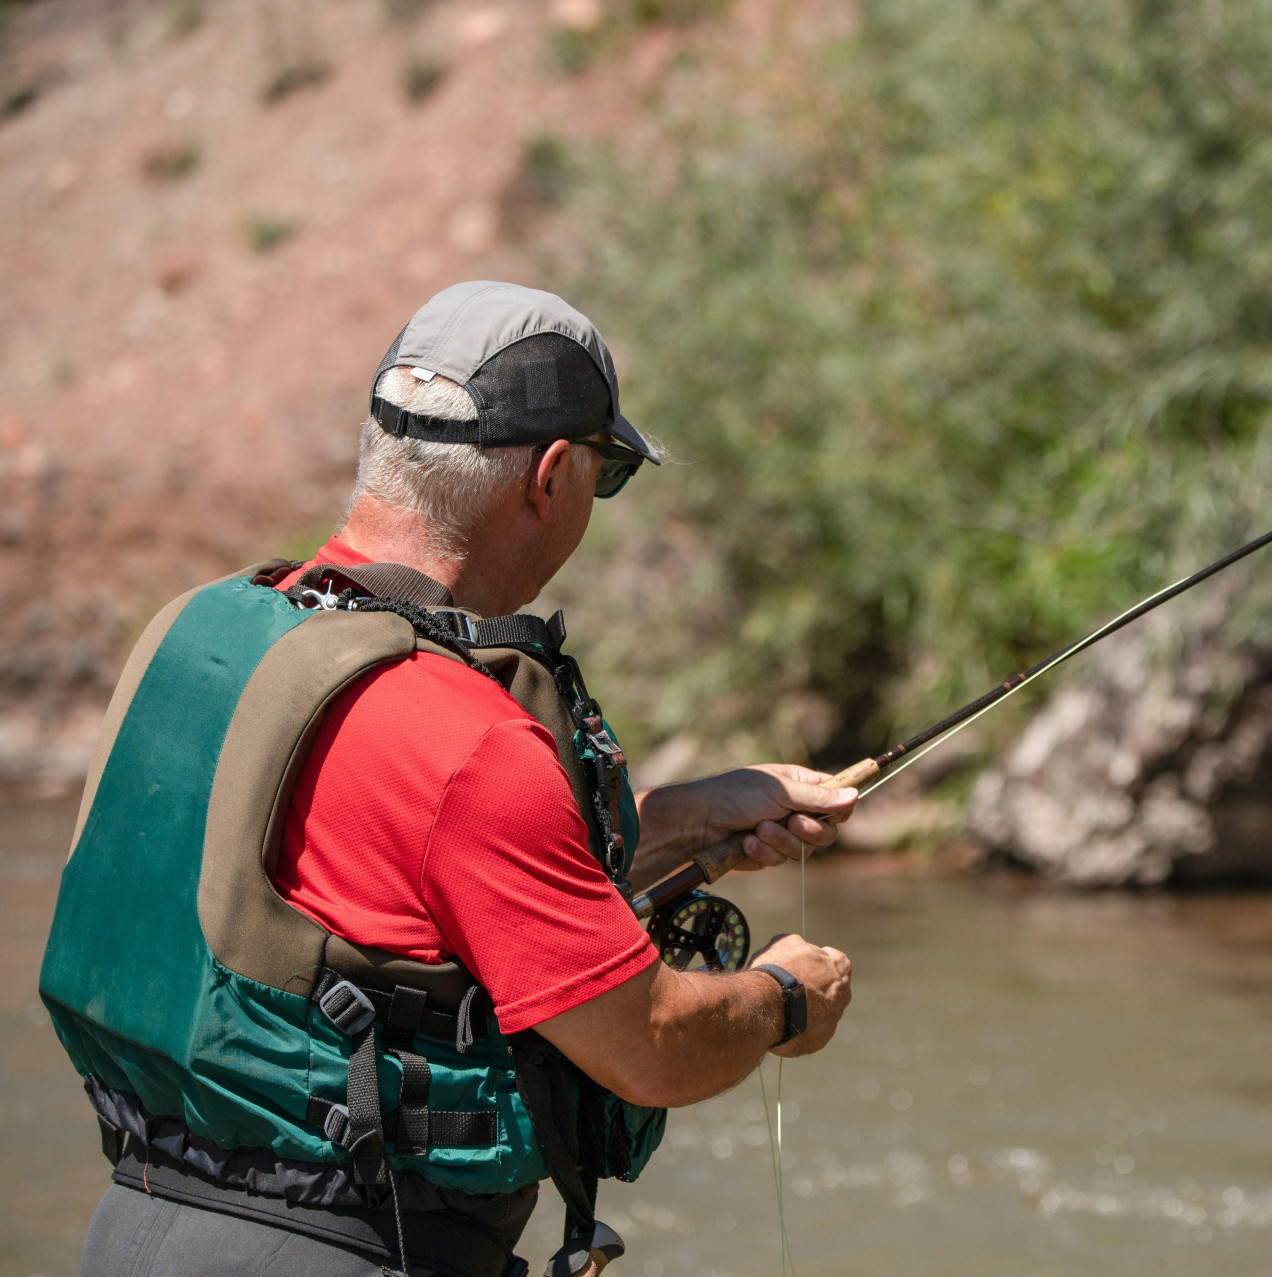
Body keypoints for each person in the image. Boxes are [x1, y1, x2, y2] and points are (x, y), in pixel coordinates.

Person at [39, 281, 855, 1277]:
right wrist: (785, 996)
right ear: (549, 477)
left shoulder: (201, 635)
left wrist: (676, 825)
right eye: (605, 474)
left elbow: (374, 894)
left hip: (132, 1224)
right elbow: (648, 1042)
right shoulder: (468, 741)